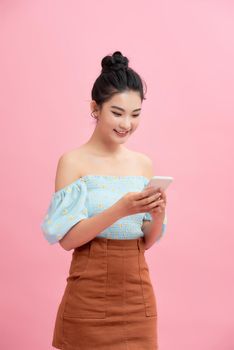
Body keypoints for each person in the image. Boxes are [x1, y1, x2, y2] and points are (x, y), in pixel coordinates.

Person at [40, 50, 168, 350]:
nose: (127, 123)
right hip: (89, 292)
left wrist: (158, 212)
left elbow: (146, 242)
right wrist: (120, 209)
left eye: (135, 115)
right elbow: (68, 240)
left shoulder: (142, 164)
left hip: (137, 294)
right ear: (95, 108)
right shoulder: (73, 162)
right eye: (117, 112)